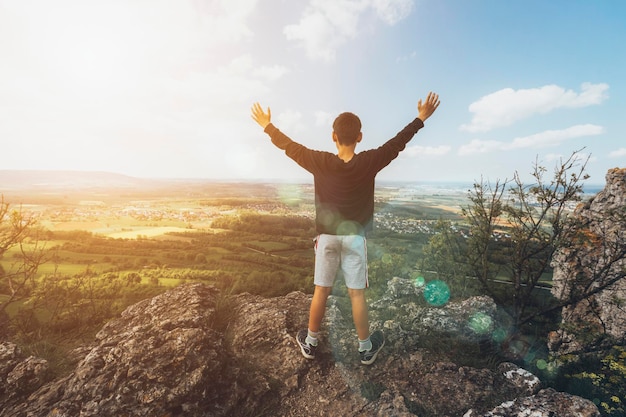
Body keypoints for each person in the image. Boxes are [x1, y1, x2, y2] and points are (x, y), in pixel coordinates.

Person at [250, 92, 440, 365]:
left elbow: (289, 146)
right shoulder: (369, 162)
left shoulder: (321, 162)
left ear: (333, 137)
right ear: (360, 137)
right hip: (355, 239)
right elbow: (396, 144)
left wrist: (267, 126)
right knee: (356, 293)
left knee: (321, 290)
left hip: (326, 238)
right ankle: (365, 349)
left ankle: (311, 342)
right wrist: (420, 118)